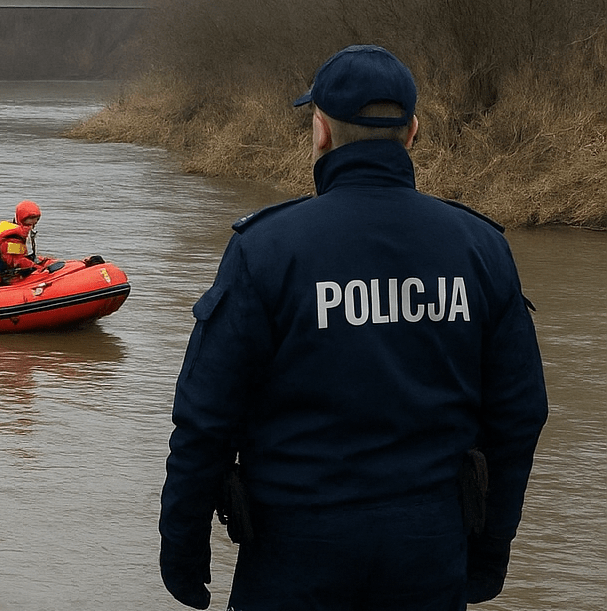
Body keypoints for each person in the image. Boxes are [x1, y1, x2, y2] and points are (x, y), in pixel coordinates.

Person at [158, 45, 548, 611]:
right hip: (430, 553)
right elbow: (519, 416)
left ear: (320, 131)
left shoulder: (266, 250)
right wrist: (489, 550)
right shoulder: (480, 249)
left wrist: (184, 554)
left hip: (291, 556)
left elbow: (204, 421)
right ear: (412, 131)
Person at [0, 200, 45, 286]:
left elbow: (18, 256)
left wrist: (41, 261)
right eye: (31, 218)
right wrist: (38, 268)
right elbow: (15, 260)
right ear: (22, 218)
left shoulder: (13, 232)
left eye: (37, 218)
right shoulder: (12, 237)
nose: (35, 221)